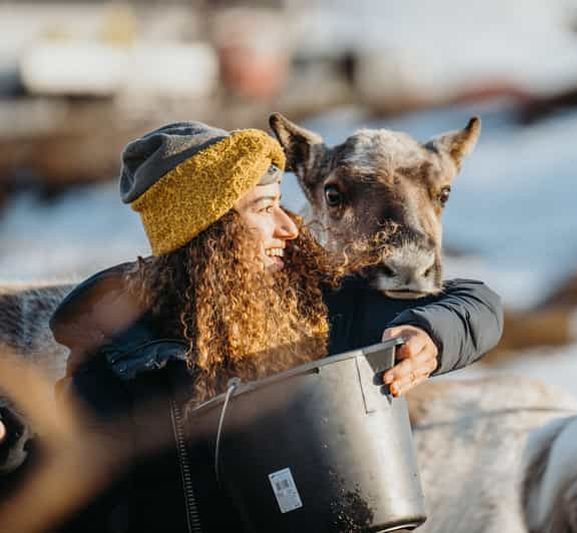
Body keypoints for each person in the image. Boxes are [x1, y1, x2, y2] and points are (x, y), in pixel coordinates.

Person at [0, 122, 502, 531]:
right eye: (264, 209)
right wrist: (8, 445)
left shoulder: (320, 307)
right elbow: (64, 503)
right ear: (208, 234)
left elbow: (477, 302)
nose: (289, 226)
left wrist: (430, 335)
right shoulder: (118, 366)